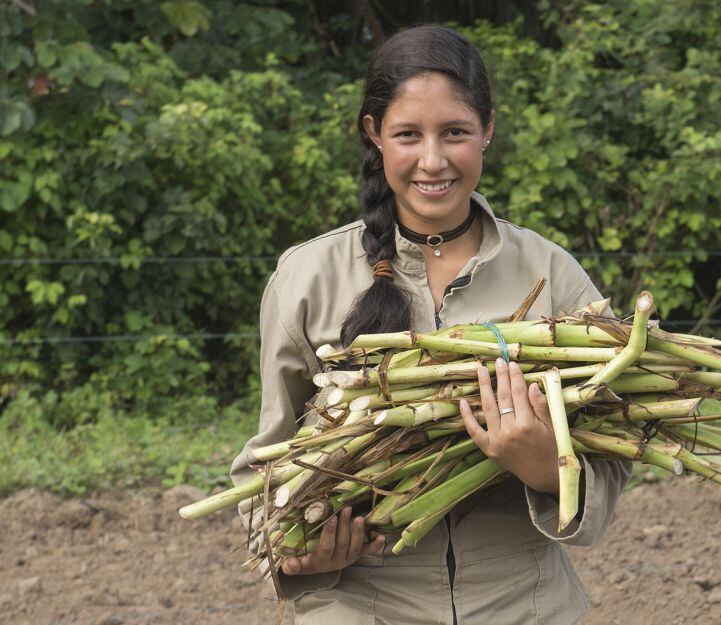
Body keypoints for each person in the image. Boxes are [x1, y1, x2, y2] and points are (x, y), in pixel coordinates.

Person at [230, 24, 631, 624]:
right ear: (374, 135)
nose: (433, 161)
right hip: (358, 605)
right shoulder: (307, 276)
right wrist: (299, 555)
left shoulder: (551, 272)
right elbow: (268, 465)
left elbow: (613, 457)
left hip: (524, 606)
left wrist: (546, 465)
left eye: (456, 133)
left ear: (489, 130)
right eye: (408, 135)